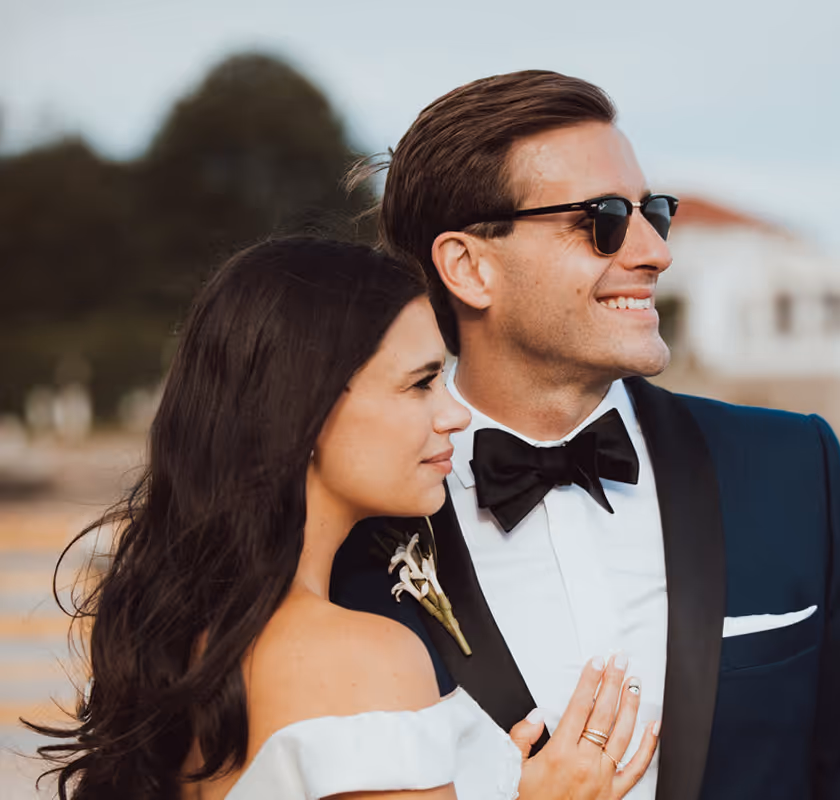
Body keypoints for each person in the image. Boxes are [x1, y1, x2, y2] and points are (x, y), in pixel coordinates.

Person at [332, 71, 840, 799]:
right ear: (469, 266)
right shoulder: (352, 531)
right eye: (605, 218)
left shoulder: (792, 466)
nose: (655, 251)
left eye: (654, 211)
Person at [27, 237, 659, 799]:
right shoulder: (359, 659)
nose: (454, 415)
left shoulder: (199, 638)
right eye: (420, 385)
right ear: (301, 409)